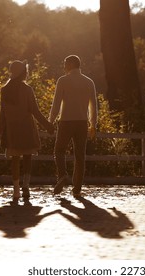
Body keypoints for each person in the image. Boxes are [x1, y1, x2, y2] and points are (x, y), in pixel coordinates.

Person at [0, 60, 54, 206]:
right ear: (23, 72)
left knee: (15, 159)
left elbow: (2, 114)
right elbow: (35, 111)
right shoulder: (27, 90)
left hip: (12, 129)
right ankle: (26, 186)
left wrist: (2, 131)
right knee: (28, 157)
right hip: (26, 128)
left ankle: (16, 189)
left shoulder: (4, 90)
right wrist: (48, 125)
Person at [49, 55, 98, 198]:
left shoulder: (63, 81)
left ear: (70, 64)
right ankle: (76, 190)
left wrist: (50, 122)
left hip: (65, 122)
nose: (64, 66)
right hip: (82, 123)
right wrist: (93, 124)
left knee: (59, 150)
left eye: (65, 64)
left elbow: (56, 104)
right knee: (80, 156)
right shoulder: (89, 82)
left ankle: (63, 175)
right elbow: (93, 106)